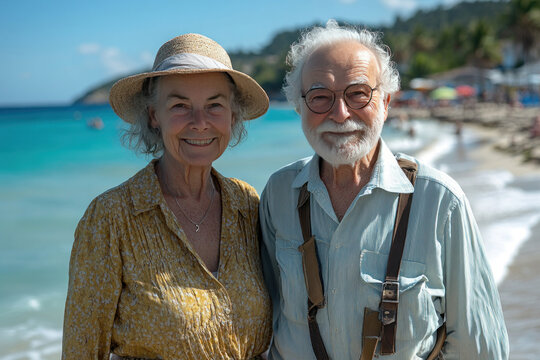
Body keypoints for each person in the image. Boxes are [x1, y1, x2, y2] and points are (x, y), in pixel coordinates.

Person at [260, 21, 508, 360]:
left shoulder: (440, 201)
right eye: (320, 97)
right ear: (299, 107)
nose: (341, 113)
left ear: (387, 102)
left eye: (358, 94)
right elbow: (270, 323)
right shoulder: (278, 194)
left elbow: (480, 348)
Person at [62, 33, 272, 359]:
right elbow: (82, 348)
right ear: (153, 116)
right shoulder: (111, 216)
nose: (199, 123)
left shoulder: (247, 204)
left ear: (233, 116)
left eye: (214, 105)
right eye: (180, 106)